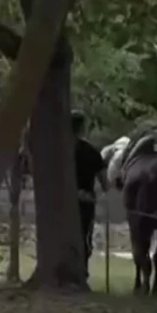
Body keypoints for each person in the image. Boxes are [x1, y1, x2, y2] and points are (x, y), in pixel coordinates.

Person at [72, 111, 109, 276]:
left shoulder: (56, 152)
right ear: (82, 128)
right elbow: (105, 182)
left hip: (59, 203)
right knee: (84, 236)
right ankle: (82, 271)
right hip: (85, 201)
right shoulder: (91, 151)